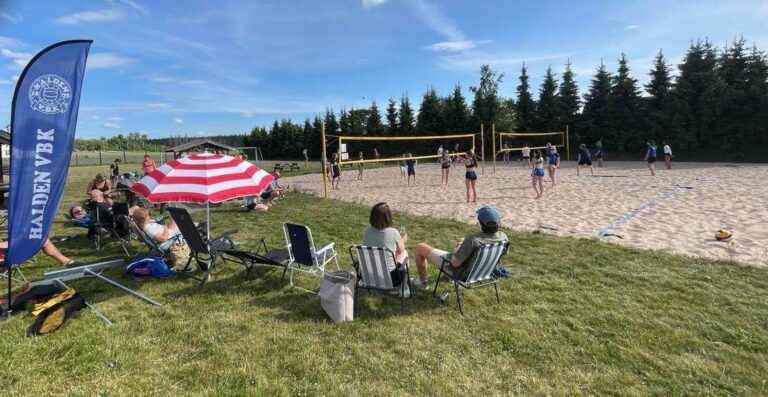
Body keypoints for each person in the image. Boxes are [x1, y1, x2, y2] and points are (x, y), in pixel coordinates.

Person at [411, 205, 507, 289]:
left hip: (463, 274)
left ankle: (421, 283)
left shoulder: (472, 240)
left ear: (480, 223)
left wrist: (460, 245)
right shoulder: (503, 237)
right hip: (483, 272)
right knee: (461, 241)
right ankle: (450, 279)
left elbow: (454, 263)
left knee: (420, 247)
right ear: (498, 222)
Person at [361, 202, 410, 296]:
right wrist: (403, 240)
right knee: (404, 252)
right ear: (388, 217)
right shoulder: (393, 232)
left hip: (369, 277)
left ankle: (376, 289)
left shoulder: (366, 231)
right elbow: (400, 250)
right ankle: (405, 289)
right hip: (391, 280)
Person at [0, 239, 75, 266]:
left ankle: (65, 261)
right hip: (6, 256)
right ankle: (66, 261)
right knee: (43, 240)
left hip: (6, 252)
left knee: (43, 240)